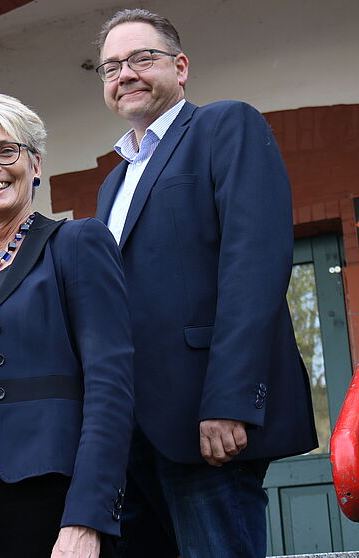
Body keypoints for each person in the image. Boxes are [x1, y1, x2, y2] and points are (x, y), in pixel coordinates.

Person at [92, 9, 318, 557]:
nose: (126, 74)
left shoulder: (224, 126)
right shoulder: (113, 183)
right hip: (129, 437)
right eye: (111, 66)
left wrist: (231, 400)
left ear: (181, 66)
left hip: (205, 423)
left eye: (143, 58)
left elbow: (254, 265)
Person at [0, 89, 134, 558]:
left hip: (42, 494)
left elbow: (110, 386)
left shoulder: (77, 243)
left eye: (5, 150)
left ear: (34, 165)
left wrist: (87, 516)